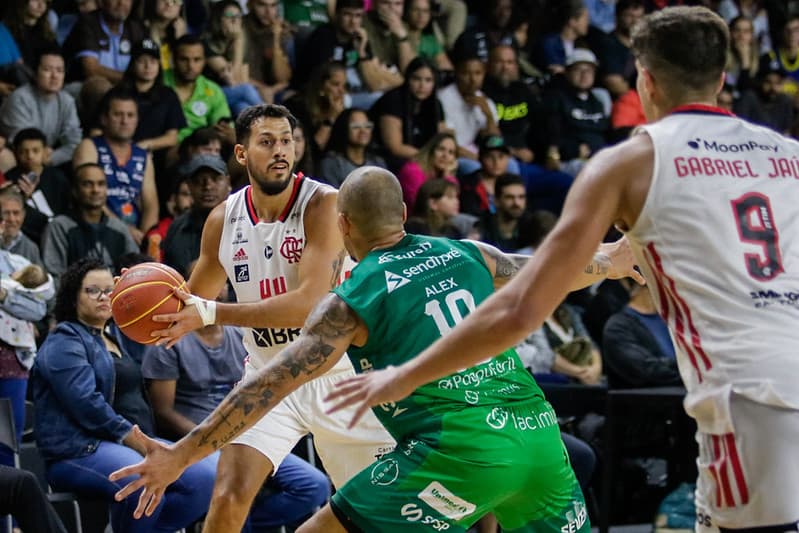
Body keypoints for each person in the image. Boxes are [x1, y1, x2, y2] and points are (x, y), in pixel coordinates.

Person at [330, 7, 799, 531]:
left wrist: (405, 376)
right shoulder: (788, 154)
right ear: (722, 77)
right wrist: (612, 261)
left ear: (644, 80)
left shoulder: (631, 162)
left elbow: (520, 306)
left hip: (750, 398)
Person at [107, 165, 640, 531]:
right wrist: (613, 260)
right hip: (538, 436)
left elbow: (266, 386)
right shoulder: (468, 252)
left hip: (458, 451)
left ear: (342, 226)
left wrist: (181, 454)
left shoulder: (351, 300)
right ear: (405, 212)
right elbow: (549, 268)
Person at [112, 104, 396, 532]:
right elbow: (187, 304)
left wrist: (212, 312)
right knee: (228, 496)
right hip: (267, 376)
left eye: (287, 141)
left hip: (339, 375)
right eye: (267, 142)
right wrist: (135, 296)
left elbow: (309, 306)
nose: (280, 150)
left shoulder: (324, 205)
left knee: (377, 515)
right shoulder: (223, 219)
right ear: (242, 154)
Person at [30, 258, 215, 533]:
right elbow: (86, 404)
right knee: (142, 481)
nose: (104, 297)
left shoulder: (114, 337)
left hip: (126, 443)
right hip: (79, 449)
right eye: (93, 290)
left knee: (207, 478)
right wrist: (135, 440)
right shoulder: (64, 340)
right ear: (72, 297)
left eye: (109, 290)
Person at [142, 287, 330, 530]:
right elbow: (163, 411)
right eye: (210, 285)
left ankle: (225, 525)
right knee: (233, 490)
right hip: (198, 437)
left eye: (222, 285)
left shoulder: (240, 334)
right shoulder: (170, 341)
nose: (216, 292)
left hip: (246, 427)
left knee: (313, 485)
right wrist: (210, 439)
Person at [72, 87, 160, 247]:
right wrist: (123, 230)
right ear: (104, 118)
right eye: (118, 114)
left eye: (130, 115)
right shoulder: (89, 146)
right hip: (95, 230)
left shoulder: (143, 156)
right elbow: (86, 195)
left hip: (134, 236)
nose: (125, 121)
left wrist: (145, 238)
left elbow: (151, 205)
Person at [41, 162, 138, 285]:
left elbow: (134, 272)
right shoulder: (59, 227)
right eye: (88, 184)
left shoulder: (119, 228)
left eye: (101, 184)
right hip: (73, 296)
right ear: (75, 190)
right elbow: (54, 278)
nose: (95, 190)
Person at [0, 49, 83, 168]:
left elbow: (74, 142)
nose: (54, 76)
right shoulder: (19, 99)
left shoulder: (67, 101)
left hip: (48, 158)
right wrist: (42, 153)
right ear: (35, 73)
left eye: (60, 71)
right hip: (19, 158)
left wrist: (52, 157)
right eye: (47, 70)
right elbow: (26, 144)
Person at [602, 277, 681, 389]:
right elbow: (646, 369)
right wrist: (687, 373)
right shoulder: (618, 326)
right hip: (656, 395)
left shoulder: (675, 318)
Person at [5, 128, 71, 245]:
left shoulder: (58, 178)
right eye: (24, 151)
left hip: (59, 234)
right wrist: (23, 198)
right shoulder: (9, 180)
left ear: (45, 151)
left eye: (35, 151)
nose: (30, 156)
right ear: (16, 153)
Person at [319, 108, 386, 188]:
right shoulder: (331, 163)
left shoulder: (378, 162)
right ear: (344, 128)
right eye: (356, 127)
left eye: (367, 126)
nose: (363, 131)